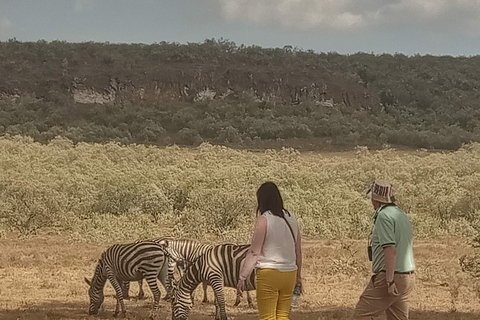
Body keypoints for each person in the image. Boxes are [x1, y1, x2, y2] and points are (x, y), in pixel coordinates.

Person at [237, 181, 302, 320]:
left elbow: (254, 252)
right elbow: (298, 251)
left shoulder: (263, 219)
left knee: (268, 317)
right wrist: (298, 276)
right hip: (290, 273)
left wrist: (242, 276)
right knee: (283, 316)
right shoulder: (291, 218)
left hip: (269, 274)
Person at [353, 180, 415, 320]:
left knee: (361, 315)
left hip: (392, 276)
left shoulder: (383, 216)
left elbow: (390, 249)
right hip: (408, 277)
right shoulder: (401, 214)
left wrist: (389, 281)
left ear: (375, 199)